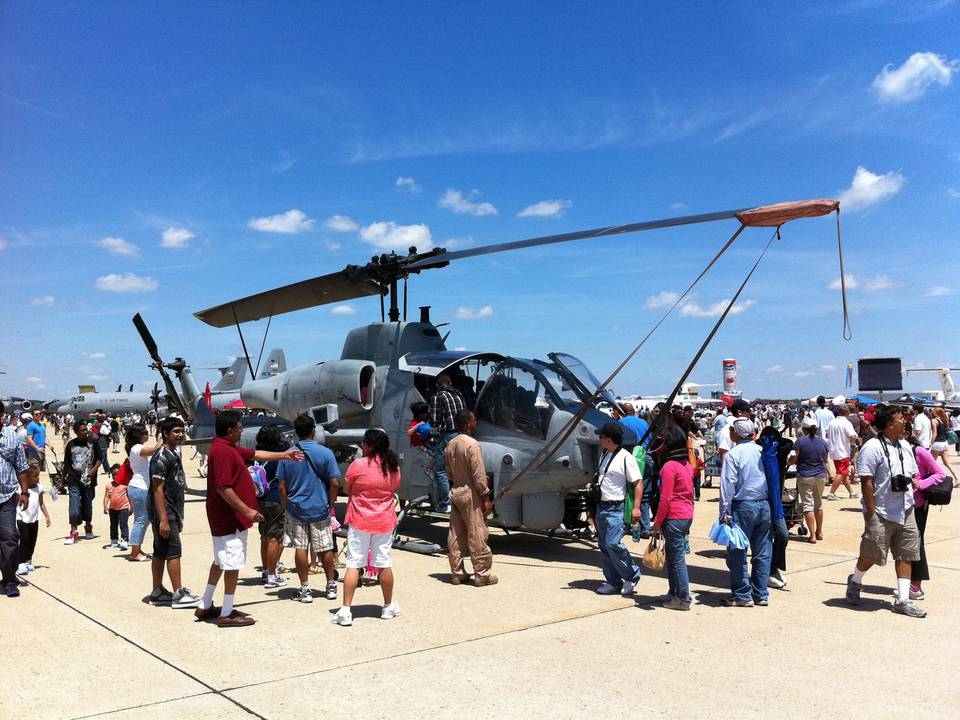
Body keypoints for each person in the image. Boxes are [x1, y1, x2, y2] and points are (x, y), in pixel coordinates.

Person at [194, 411, 303, 627]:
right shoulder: (223, 452)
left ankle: (205, 604)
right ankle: (227, 612)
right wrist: (247, 510)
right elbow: (223, 487)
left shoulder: (227, 447)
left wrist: (284, 455)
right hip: (229, 519)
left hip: (227, 519)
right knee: (232, 564)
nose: (242, 429)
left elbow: (257, 454)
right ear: (230, 430)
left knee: (220, 561)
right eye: (239, 426)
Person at [845, 406, 926, 618]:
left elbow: (912, 473)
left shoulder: (906, 446)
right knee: (871, 555)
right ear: (890, 424)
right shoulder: (872, 447)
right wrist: (871, 512)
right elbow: (867, 481)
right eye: (901, 419)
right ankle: (855, 581)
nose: (905, 423)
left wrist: (916, 483)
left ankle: (903, 600)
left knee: (906, 554)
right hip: (880, 510)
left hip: (905, 509)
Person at [333, 428, 403, 626]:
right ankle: (388, 606)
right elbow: (395, 487)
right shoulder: (393, 466)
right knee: (384, 563)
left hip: (359, 520)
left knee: (354, 564)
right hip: (384, 520)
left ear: (370, 446)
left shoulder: (358, 464)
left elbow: (346, 489)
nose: (362, 446)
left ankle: (346, 609)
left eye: (364, 443)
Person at [277, 414, 340, 604]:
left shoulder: (288, 454)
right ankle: (330, 585)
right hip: (319, 506)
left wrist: (285, 504)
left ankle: (305, 588)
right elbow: (335, 482)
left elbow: (281, 486)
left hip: (296, 507)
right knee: (325, 547)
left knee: (300, 547)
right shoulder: (325, 453)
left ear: (296, 432)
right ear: (313, 430)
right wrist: (331, 503)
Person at [147, 417, 200, 608]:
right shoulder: (161, 457)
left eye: (182, 431)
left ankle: (157, 591)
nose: (180, 435)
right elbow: (157, 489)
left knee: (160, 551)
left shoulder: (173, 454)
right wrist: (164, 519)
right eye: (176, 431)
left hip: (171, 510)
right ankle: (178, 594)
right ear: (165, 434)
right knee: (173, 551)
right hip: (164, 511)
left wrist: (178, 516)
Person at [718, 418, 771, 607]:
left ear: (736, 433)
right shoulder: (762, 451)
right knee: (763, 551)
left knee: (738, 551)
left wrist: (724, 511)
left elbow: (727, 484)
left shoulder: (734, 454)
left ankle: (742, 593)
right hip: (764, 504)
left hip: (743, 506)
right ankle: (761, 593)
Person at [445, 409, 497, 586]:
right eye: (474, 420)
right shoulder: (472, 445)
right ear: (467, 423)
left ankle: (457, 573)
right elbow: (479, 474)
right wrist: (485, 497)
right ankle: (482, 574)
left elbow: (449, 474)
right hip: (470, 493)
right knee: (477, 533)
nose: (476, 423)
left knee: (456, 534)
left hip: (456, 490)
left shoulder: (450, 444)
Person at [593, 421, 643, 595]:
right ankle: (612, 581)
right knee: (604, 546)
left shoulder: (625, 457)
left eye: (601, 437)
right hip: (602, 506)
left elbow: (637, 483)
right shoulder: (604, 454)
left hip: (617, 507)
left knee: (613, 544)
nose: (599, 439)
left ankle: (632, 575)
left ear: (609, 439)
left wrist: (636, 508)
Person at [650, 425, 694, 610]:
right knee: (672, 556)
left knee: (676, 560)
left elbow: (665, 499)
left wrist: (657, 522)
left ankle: (683, 598)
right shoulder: (686, 465)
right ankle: (674, 592)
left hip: (674, 516)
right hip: (685, 515)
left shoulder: (669, 467)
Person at [905, 435, 945, 601]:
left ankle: (916, 585)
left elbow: (940, 474)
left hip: (919, 504)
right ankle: (907, 583)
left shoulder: (919, 452)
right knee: (906, 544)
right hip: (904, 504)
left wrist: (921, 484)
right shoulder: (898, 451)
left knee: (917, 543)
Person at [255, 425, 288, 590]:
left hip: (259, 499)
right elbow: (283, 482)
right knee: (276, 538)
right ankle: (272, 575)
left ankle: (265, 570)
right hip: (275, 498)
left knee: (265, 537)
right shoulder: (279, 456)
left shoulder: (257, 455)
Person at [62, 420, 103, 544]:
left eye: (86, 429)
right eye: (83, 430)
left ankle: (88, 525)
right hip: (74, 478)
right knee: (74, 503)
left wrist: (93, 471)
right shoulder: (71, 445)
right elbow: (67, 463)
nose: (86, 432)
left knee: (87, 503)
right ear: (76, 432)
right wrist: (62, 480)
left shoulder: (93, 442)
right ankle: (73, 531)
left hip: (88, 479)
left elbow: (100, 459)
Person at [123, 424, 161, 561]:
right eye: (145, 432)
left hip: (141, 487)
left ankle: (137, 548)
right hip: (140, 487)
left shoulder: (136, 448)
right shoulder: (137, 448)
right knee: (141, 520)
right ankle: (134, 552)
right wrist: (163, 436)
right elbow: (155, 450)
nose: (147, 434)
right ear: (139, 435)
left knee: (144, 520)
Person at [429, 374, 466, 513]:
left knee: (440, 470)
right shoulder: (459, 394)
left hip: (448, 434)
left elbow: (435, 420)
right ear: (450, 382)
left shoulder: (438, 396)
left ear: (438, 385)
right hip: (462, 434)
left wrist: (432, 439)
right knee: (458, 470)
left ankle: (445, 504)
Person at [789, 416, 829, 542]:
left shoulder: (800, 442)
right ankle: (820, 532)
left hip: (805, 475)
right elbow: (825, 459)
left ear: (804, 429)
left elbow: (794, 459)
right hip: (820, 475)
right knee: (818, 504)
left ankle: (812, 535)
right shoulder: (823, 441)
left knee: (808, 505)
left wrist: (789, 462)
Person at [16, 459, 50, 576]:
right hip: (22, 518)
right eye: (35, 476)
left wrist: (47, 516)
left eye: (38, 476)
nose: (37, 478)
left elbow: (41, 503)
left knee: (32, 540)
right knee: (24, 539)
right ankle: (20, 562)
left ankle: (28, 559)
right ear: (27, 477)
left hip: (34, 518)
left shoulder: (39, 488)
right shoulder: (20, 489)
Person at [825, 405, 859, 501]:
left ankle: (851, 492)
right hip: (842, 451)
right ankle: (831, 493)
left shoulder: (831, 422)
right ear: (847, 413)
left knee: (843, 474)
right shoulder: (846, 423)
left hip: (834, 450)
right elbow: (852, 436)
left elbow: (827, 433)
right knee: (842, 472)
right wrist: (853, 440)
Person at [103, 464, 130, 550]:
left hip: (123, 508)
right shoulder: (109, 486)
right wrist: (105, 506)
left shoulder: (125, 485)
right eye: (113, 474)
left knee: (123, 524)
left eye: (117, 474)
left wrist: (132, 507)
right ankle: (114, 540)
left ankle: (125, 540)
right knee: (113, 525)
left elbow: (130, 496)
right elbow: (106, 496)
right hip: (112, 509)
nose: (115, 476)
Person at [928, 407, 959, 480]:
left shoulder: (934, 420)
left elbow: (934, 434)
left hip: (937, 443)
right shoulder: (944, 421)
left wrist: (930, 444)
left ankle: (932, 478)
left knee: (931, 463)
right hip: (945, 443)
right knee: (947, 463)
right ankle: (957, 478)